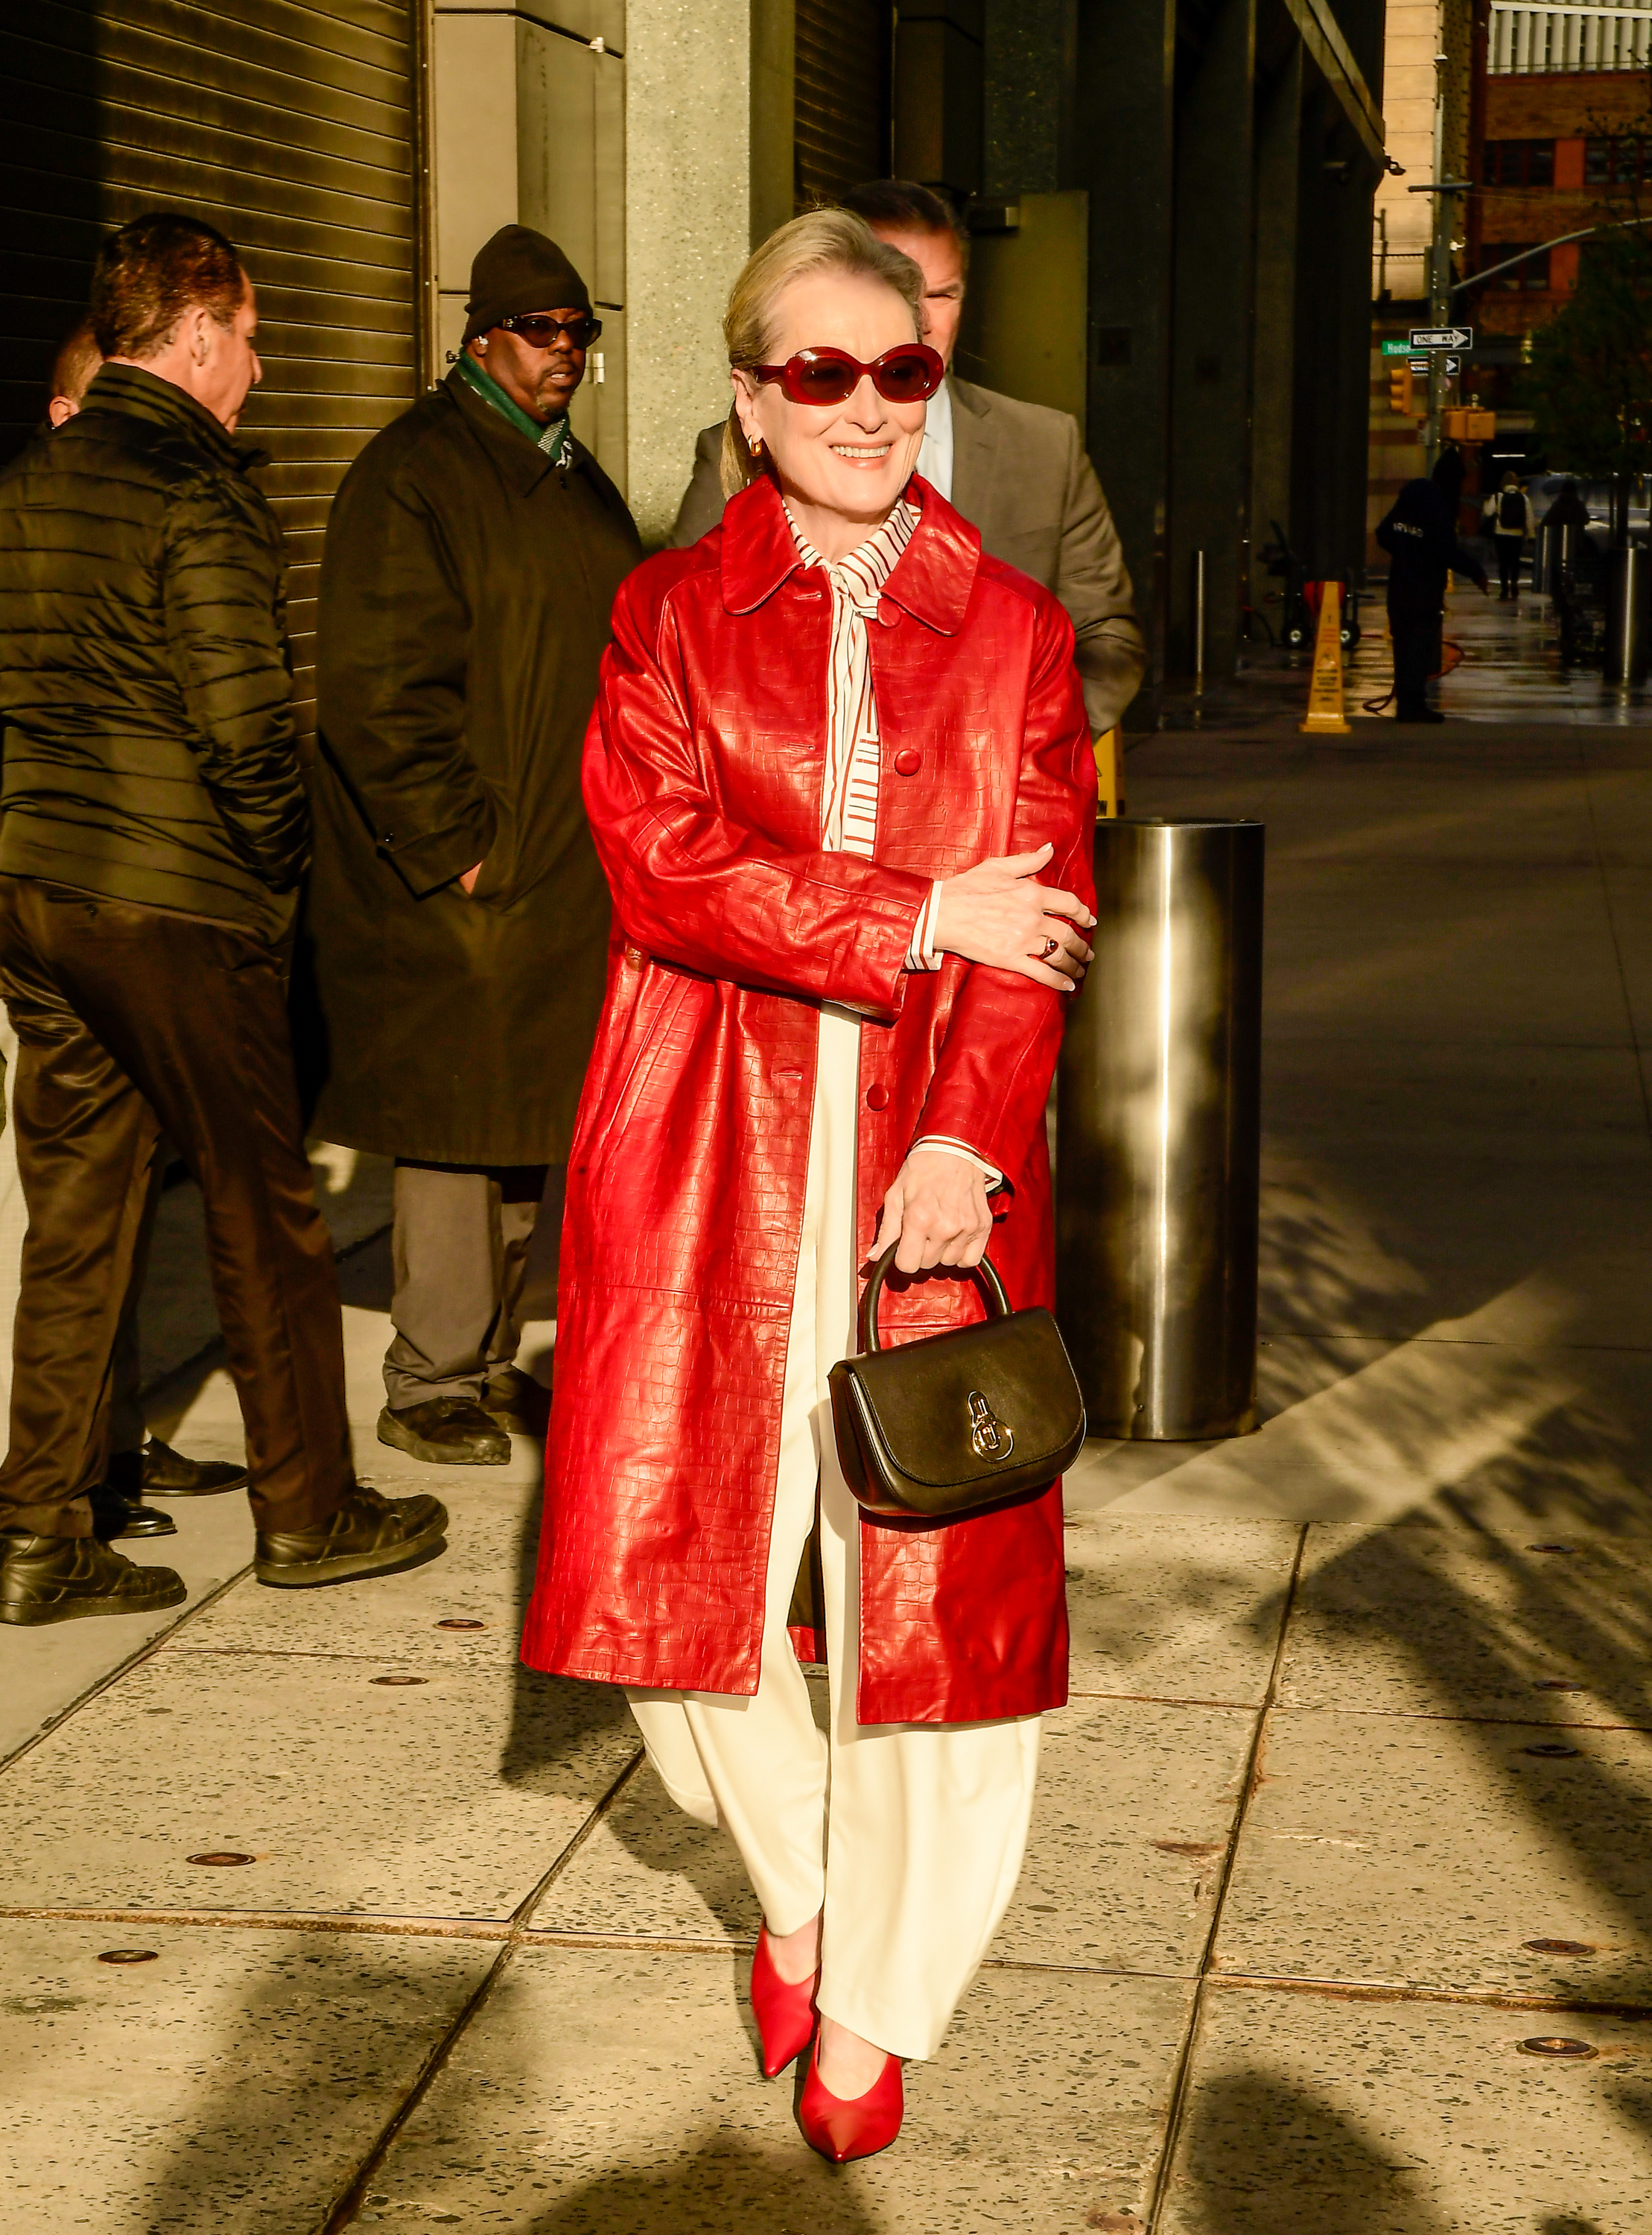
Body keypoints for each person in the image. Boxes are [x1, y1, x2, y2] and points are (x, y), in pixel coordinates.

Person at [521, 210, 1097, 2163]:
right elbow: (661, 868)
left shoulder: (1012, 634)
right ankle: (799, 1886)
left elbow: (1041, 927)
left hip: (931, 1147)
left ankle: (877, 2000)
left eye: (900, 369)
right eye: (823, 373)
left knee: (936, 1607)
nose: (867, 407)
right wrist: (918, 909)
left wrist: (962, 1145)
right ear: (752, 398)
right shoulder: (666, 617)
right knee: (663, 1580)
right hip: (702, 1141)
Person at [0, 212, 447, 1623]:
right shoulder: (197, 488)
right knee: (266, 1209)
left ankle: (37, 1533)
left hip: (39, 892)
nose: (259, 365)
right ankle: (309, 1510)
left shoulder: (28, 478)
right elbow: (248, 728)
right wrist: (272, 884)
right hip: (178, 898)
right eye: (249, 336)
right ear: (196, 332)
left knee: (76, 1216)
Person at [308, 225, 642, 1470]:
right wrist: (459, 847)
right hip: (471, 874)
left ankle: (489, 1362)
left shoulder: (565, 472)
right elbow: (377, 686)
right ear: (482, 336)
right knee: (456, 1127)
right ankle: (431, 1377)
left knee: (522, 1124)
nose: (564, 351)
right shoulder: (417, 470)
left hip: (559, 863)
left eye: (578, 332)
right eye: (540, 330)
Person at [0, 316, 250, 1544]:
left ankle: (90, 1465)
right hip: (94, 897)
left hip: (74, 890)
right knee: (80, 1208)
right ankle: (66, 1485)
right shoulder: (64, 512)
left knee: (100, 1202)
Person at [669, 180, 1144, 738]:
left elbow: (1106, 638)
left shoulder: (1044, 445)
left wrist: (1014, 747)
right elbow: (687, 629)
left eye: (942, 295)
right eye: (826, 376)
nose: (922, 319)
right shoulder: (671, 591)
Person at [1375, 477, 1489, 723]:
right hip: (1424, 590)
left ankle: (1406, 704)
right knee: (1420, 647)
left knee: (1403, 647)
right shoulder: (1438, 509)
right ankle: (1414, 705)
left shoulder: (1403, 508)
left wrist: (1405, 551)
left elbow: (1383, 534)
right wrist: (1476, 572)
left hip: (1399, 589)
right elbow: (1448, 551)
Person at [1484, 470, 1535, 600]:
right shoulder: (1523, 498)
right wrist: (1531, 535)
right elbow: (1530, 518)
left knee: (1503, 562)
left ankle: (1504, 589)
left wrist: (1486, 503)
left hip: (1501, 534)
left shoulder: (1498, 497)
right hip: (1517, 534)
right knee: (1515, 561)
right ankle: (1514, 584)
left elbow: (1488, 512)